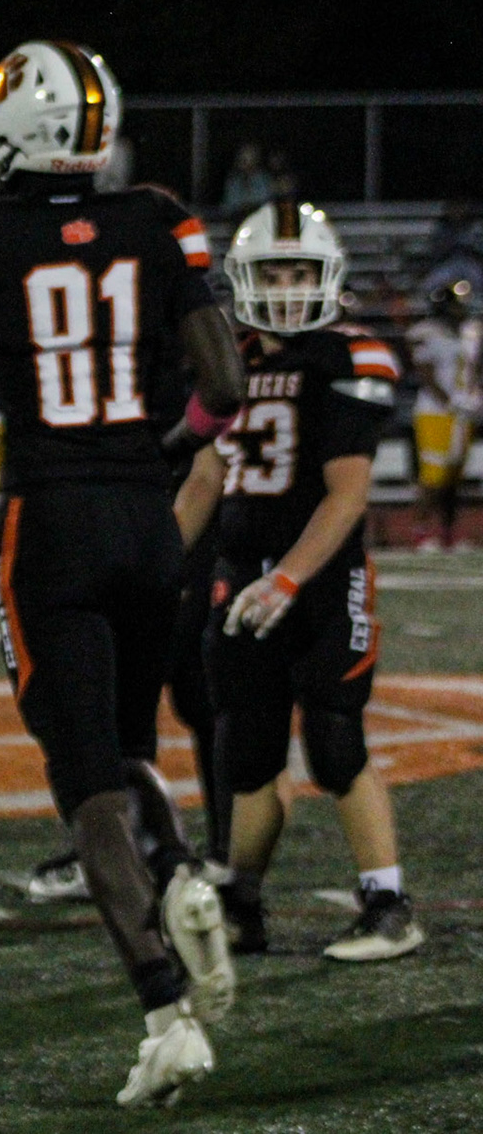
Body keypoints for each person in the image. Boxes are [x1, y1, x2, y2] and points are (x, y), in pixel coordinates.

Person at [0, 41, 247, 1107]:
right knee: (131, 740)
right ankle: (185, 867)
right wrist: (158, 449)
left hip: (52, 518)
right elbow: (224, 384)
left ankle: (163, 1010)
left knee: (86, 781)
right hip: (149, 519)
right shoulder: (158, 217)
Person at [176, 201, 424, 962]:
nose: (285, 289)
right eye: (272, 274)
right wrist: (158, 566)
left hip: (319, 577)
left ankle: (388, 904)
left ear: (328, 276)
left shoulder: (349, 356)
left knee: (334, 739)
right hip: (239, 574)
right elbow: (204, 480)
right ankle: (242, 904)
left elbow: (347, 495)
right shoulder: (228, 359)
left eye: (298, 273)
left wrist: (286, 580)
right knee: (248, 753)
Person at [404, 281, 480, 550]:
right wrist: (450, 401)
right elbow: (425, 373)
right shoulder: (425, 332)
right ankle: (421, 531)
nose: (462, 310)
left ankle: (449, 533)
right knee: (433, 477)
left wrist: (472, 396)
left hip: (462, 413)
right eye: (457, 305)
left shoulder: (471, 331)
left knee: (454, 479)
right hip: (434, 412)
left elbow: (475, 368)